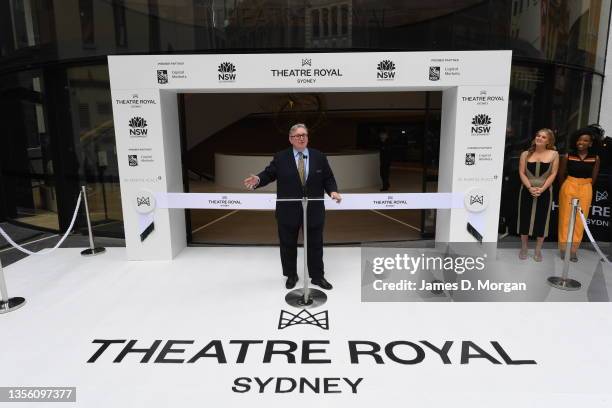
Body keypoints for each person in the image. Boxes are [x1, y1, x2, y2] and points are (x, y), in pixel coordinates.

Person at [243, 124, 342, 290]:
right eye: (297, 136)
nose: (301, 138)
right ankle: (291, 275)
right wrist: (258, 179)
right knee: (287, 244)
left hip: (313, 209)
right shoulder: (281, 157)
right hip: (288, 210)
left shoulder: (319, 156)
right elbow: (269, 174)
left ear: (307, 137)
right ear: (290, 139)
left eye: (304, 135)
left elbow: (328, 177)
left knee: (315, 244)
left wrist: (333, 191)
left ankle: (317, 277)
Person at [557, 128, 601, 262]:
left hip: (586, 187)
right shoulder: (568, 156)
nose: (581, 142)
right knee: (565, 219)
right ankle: (564, 249)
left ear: (591, 144)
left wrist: (585, 186)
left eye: (585, 140)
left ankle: (574, 250)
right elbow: (560, 175)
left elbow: (594, 178)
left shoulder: (595, 158)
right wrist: (566, 187)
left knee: (580, 221)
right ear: (575, 142)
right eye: (580, 139)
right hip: (569, 185)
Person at [517, 129, 559, 261]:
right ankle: (524, 247)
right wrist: (529, 187)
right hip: (526, 189)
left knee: (542, 220)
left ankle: (538, 250)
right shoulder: (525, 154)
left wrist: (542, 188)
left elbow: (553, 173)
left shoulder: (554, 154)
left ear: (549, 141)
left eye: (543, 137)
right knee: (524, 219)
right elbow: (522, 172)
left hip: (545, 191)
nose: (539, 138)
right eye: (538, 135)